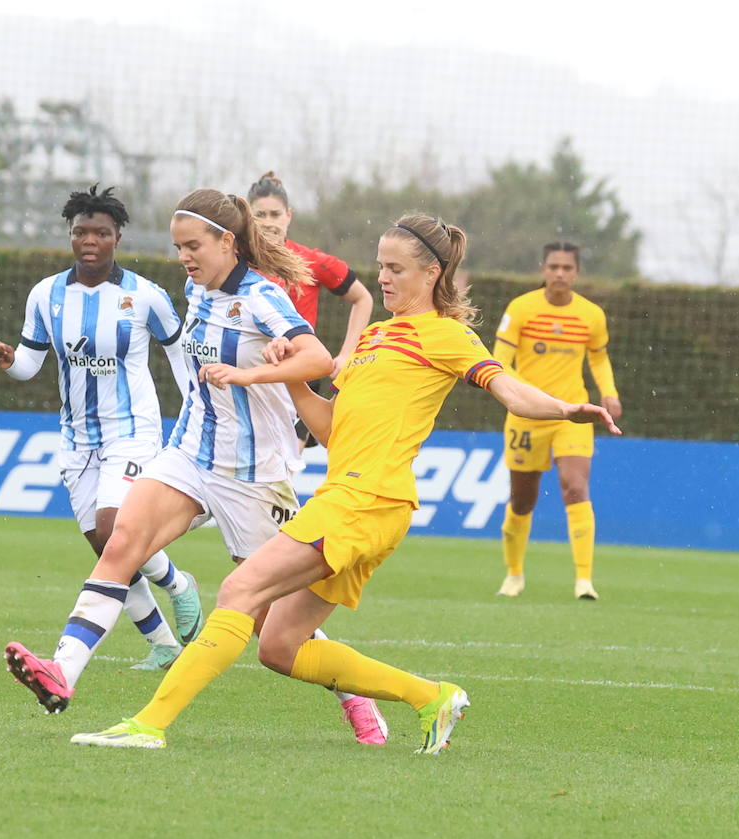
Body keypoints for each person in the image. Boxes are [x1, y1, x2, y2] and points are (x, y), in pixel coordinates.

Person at [69, 215, 621, 752]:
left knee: (240, 592)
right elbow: (335, 430)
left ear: (431, 274)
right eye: (380, 266)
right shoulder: (377, 335)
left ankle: (148, 724)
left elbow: (511, 391)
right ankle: (432, 697)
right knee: (281, 646)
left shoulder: (447, 335)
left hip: (368, 499)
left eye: (395, 268)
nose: (382, 277)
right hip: (353, 496)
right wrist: (296, 379)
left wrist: (565, 408)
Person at [4, 188, 393, 744]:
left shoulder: (262, 297)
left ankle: (354, 695)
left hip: (252, 474)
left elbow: (317, 358)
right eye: (178, 247)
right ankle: (61, 670)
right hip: (188, 453)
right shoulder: (196, 288)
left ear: (226, 243)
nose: (184, 258)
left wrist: (249, 375)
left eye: (193, 247)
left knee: (270, 621)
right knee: (121, 543)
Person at [0, 185, 203, 671]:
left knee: (116, 528)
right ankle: (163, 643)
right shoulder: (46, 294)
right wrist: (9, 362)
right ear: (70, 236)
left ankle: (177, 584)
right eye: (80, 231)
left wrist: (196, 411)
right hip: (77, 439)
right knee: (104, 547)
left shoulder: (145, 296)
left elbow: (178, 355)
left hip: (132, 431)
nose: (89, 240)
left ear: (117, 237)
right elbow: (30, 364)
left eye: (100, 233)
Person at [493, 241, 623, 601]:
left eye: (567, 268)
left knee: (575, 487)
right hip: (527, 413)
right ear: (543, 269)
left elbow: (598, 358)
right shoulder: (521, 309)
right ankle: (514, 575)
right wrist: (523, 395)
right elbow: (499, 359)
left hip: (573, 413)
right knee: (522, 500)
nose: (560, 274)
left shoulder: (591, 315)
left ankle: (584, 580)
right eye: (554, 267)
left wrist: (608, 393)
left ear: (577, 273)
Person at [248, 171, 374, 449]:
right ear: (248, 218)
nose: (269, 222)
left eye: (275, 214)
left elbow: (363, 298)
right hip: (252, 377)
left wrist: (346, 354)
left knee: (285, 461)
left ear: (289, 216)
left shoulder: (311, 262)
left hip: (300, 379)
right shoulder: (236, 266)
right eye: (260, 215)